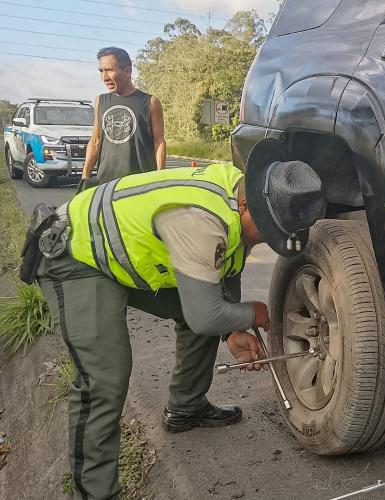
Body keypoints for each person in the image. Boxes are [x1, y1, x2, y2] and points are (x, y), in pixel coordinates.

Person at [34, 161, 323, 499]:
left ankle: (185, 407)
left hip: (125, 255)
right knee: (104, 377)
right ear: (246, 206)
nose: (267, 243)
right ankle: (94, 493)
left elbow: (221, 274)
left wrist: (231, 330)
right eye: (268, 233)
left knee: (209, 311)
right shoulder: (201, 219)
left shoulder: (241, 192)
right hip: (76, 255)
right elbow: (204, 314)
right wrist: (249, 315)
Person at [81, 47, 166, 186]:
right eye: (101, 71)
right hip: (105, 184)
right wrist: (85, 176)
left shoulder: (151, 102)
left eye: (109, 70)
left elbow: (159, 142)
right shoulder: (100, 101)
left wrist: (159, 178)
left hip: (140, 184)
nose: (104, 77)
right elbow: (95, 140)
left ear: (127, 71)